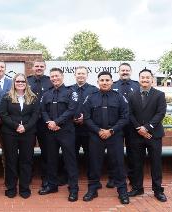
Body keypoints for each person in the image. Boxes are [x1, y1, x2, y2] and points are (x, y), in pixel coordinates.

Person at [82, 71, 129, 204]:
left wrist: (111, 131)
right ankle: (92, 189)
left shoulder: (119, 97)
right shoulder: (91, 98)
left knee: (119, 164)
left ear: (112, 82)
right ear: (98, 82)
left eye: (107, 80)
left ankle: (122, 191)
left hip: (115, 136)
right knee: (94, 164)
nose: (104, 82)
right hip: (96, 136)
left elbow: (125, 117)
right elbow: (86, 117)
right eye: (102, 80)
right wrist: (98, 131)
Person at [38, 68, 79, 202]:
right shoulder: (46, 94)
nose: (54, 78)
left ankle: (73, 189)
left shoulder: (71, 92)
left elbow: (72, 110)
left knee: (70, 160)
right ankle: (52, 185)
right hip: (50, 131)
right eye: (52, 76)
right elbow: (42, 110)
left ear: (62, 76)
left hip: (66, 131)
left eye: (57, 76)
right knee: (51, 160)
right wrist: (49, 122)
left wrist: (56, 122)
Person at [127, 69, 167, 202]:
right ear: (139, 79)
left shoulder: (159, 95)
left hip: (154, 135)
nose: (145, 80)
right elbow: (129, 114)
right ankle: (138, 188)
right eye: (142, 77)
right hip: (136, 135)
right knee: (137, 163)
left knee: (156, 163)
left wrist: (147, 128)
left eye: (147, 78)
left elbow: (160, 113)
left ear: (152, 79)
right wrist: (139, 128)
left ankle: (157, 190)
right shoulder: (132, 95)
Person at [0, 73, 39, 199]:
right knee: (11, 160)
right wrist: (16, 126)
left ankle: (24, 187)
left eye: (23, 81)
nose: (20, 83)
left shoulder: (33, 98)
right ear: (14, 83)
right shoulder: (6, 97)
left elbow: (35, 115)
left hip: (28, 133)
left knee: (26, 161)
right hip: (10, 133)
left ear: (26, 83)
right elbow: (3, 115)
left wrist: (25, 127)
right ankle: (11, 187)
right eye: (18, 81)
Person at [108, 63, 140, 188]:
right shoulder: (113, 85)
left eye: (127, 70)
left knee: (133, 154)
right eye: (122, 70)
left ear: (131, 71)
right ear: (119, 71)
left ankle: (132, 179)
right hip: (117, 126)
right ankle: (113, 178)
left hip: (133, 126)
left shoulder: (137, 85)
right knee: (114, 153)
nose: (125, 72)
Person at [27, 60, 53, 188]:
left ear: (45, 68)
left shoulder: (50, 81)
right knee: (27, 150)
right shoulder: (26, 81)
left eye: (41, 66)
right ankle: (28, 176)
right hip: (29, 121)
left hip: (45, 121)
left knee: (47, 151)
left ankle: (46, 178)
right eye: (36, 66)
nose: (39, 68)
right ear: (32, 67)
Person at [70, 66, 98, 163]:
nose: (81, 75)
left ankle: (91, 175)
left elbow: (97, 108)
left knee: (90, 154)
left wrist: (85, 118)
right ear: (75, 75)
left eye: (83, 73)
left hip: (88, 129)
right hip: (72, 128)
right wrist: (71, 118)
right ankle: (72, 176)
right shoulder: (69, 89)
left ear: (87, 75)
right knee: (71, 154)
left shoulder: (94, 90)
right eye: (79, 73)